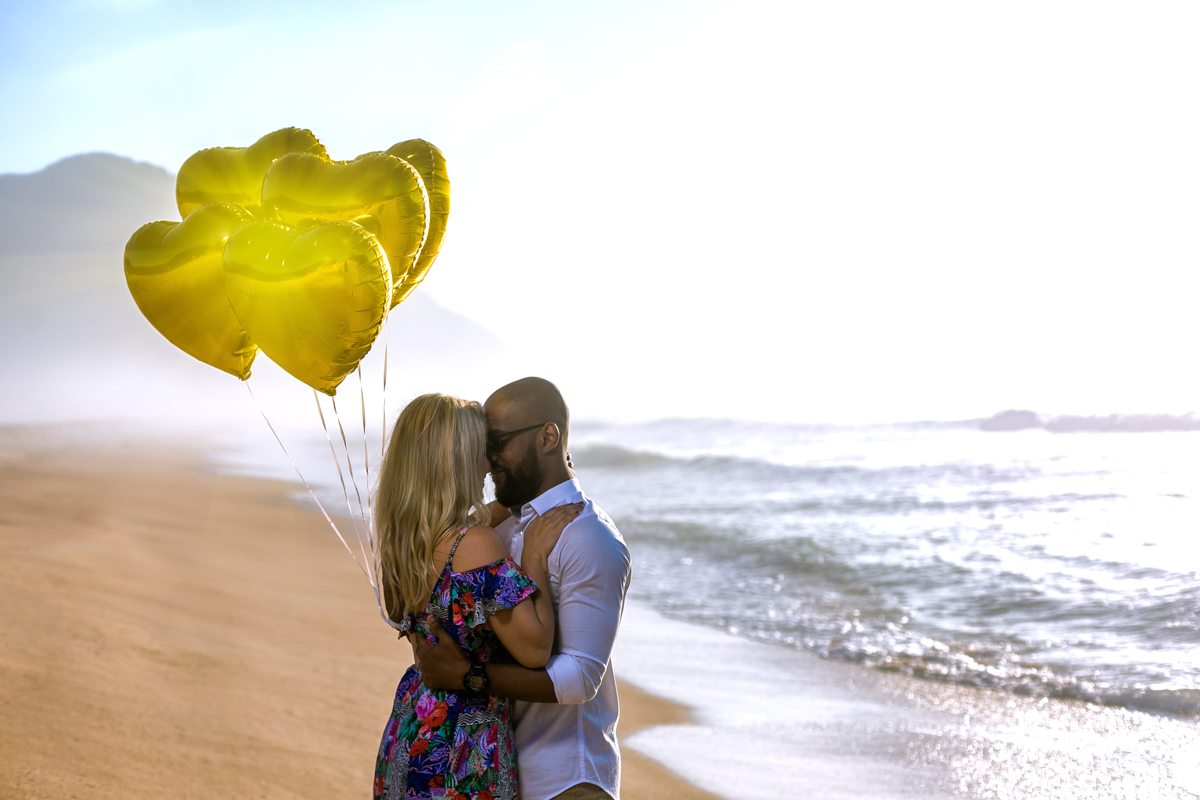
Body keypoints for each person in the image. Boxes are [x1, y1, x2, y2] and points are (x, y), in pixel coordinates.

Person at [412, 378, 632, 800]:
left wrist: (465, 677)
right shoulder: (497, 528)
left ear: (548, 437)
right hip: (493, 769)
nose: (488, 458)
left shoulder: (587, 537)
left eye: (497, 441)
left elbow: (580, 678)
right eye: (483, 444)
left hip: (565, 778)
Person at [372, 393, 583, 800]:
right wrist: (534, 556)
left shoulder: (403, 542)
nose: (489, 464)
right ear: (457, 461)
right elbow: (535, 649)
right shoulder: (476, 544)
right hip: (459, 749)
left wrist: (513, 500)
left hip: (410, 726)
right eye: (482, 450)